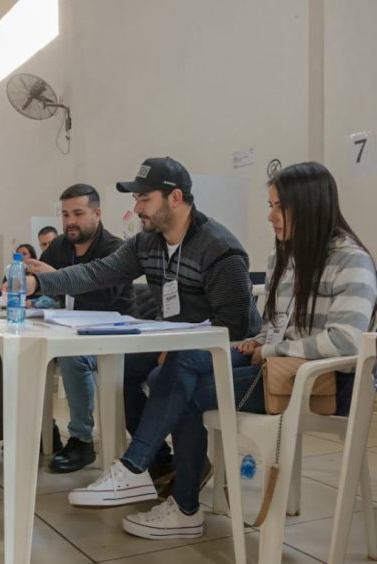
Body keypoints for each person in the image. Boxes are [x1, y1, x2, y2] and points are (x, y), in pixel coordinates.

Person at [73, 161, 377, 540]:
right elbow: (275, 327)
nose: (270, 216)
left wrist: (271, 349)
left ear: (310, 205)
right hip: (278, 367)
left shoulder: (351, 260)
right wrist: (262, 343)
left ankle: (166, 493)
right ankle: (145, 475)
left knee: (182, 389)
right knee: (182, 359)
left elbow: (348, 340)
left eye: (278, 206)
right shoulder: (285, 256)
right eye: (270, 205)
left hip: (321, 382)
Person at [25, 157, 261, 493]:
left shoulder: (220, 249)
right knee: (124, 371)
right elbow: (97, 272)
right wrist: (38, 283)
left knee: (169, 370)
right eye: (135, 199)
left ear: (175, 198)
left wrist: (176, 347)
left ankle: (134, 466)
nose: (136, 208)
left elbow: (235, 327)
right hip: (179, 342)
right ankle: (161, 460)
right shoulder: (146, 242)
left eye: (144, 199)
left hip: (232, 346)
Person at [24, 183, 136, 473]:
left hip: (110, 333)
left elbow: (108, 296)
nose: (70, 221)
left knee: (73, 357)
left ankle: (82, 439)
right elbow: (38, 279)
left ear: (97, 213)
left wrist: (56, 278)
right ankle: (42, 428)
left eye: (78, 213)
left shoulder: (114, 248)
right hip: (66, 328)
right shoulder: (61, 245)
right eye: (64, 214)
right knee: (22, 346)